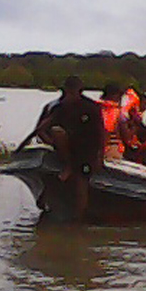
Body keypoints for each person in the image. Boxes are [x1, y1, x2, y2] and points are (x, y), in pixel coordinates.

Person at [37, 76, 105, 219]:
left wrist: (100, 156)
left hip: (87, 150)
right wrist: (52, 143)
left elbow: (101, 133)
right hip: (67, 149)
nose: (69, 95)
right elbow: (42, 129)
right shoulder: (59, 107)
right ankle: (65, 170)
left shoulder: (91, 107)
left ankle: (79, 218)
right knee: (57, 132)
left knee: (81, 183)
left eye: (72, 92)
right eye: (67, 92)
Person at [98, 83, 129, 160]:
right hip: (112, 149)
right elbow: (126, 136)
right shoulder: (119, 113)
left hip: (95, 148)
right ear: (115, 95)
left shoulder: (96, 109)